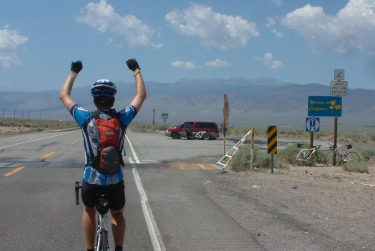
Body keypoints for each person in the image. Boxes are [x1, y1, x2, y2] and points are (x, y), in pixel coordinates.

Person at [60, 59, 146, 251]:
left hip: (91, 179)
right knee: (117, 215)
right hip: (115, 180)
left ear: (94, 99)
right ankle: (118, 248)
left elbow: (63, 95)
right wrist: (136, 70)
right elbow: (141, 95)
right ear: (113, 99)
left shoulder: (85, 117)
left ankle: (91, 249)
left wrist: (74, 71)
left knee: (89, 210)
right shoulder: (122, 118)